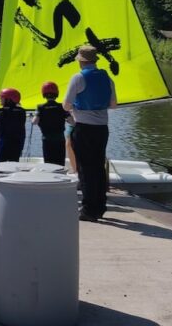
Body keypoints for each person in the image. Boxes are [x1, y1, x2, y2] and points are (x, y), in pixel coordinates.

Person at [63, 45, 117, 222]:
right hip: (102, 128)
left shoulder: (78, 78)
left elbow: (66, 105)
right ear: (95, 60)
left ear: (81, 61)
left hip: (84, 127)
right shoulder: (107, 77)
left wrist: (79, 106)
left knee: (85, 169)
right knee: (98, 167)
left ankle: (88, 209)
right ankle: (100, 206)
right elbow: (113, 105)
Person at [33, 81, 71, 166]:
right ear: (56, 93)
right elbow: (71, 121)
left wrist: (36, 115)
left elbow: (34, 122)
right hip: (60, 139)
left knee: (48, 164)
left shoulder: (40, 107)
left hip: (47, 139)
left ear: (43, 94)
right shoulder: (61, 106)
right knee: (60, 163)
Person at [0, 88, 26, 162]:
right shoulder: (22, 111)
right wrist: (21, 147)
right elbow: (22, 131)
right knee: (13, 166)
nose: (0, 99)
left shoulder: (2, 111)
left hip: (3, 144)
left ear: (9, 99)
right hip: (17, 144)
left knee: (0, 166)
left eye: (2, 97)